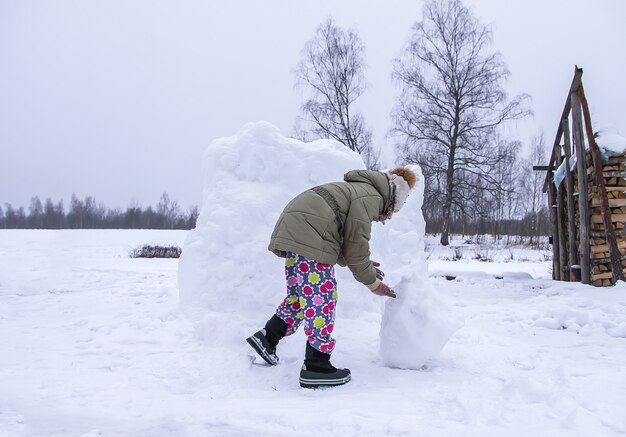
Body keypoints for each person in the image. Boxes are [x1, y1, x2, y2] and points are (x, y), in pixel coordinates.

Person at [246, 167, 416, 388]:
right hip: (310, 231)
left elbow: (346, 243)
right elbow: (356, 245)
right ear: (393, 199)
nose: (389, 215)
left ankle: (267, 339)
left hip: (297, 227)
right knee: (321, 298)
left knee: (302, 296)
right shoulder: (372, 197)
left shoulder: (361, 189)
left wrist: (362, 265)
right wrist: (372, 283)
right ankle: (316, 366)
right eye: (393, 211)